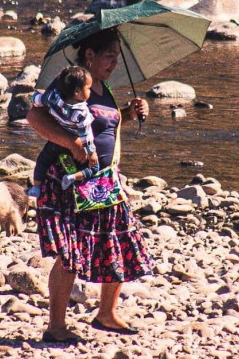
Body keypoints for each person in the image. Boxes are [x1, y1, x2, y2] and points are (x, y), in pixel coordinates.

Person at [27, 28, 154, 343]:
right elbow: (35, 117)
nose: (114, 61)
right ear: (89, 55)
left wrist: (128, 112)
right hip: (70, 180)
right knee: (71, 251)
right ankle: (56, 326)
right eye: (108, 55)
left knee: (119, 243)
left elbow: (106, 122)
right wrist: (71, 143)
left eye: (116, 55)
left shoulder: (105, 88)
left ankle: (106, 314)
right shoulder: (70, 83)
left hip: (105, 181)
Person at [27, 65, 99, 199]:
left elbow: (36, 99)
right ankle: (73, 177)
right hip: (74, 144)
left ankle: (36, 187)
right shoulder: (81, 113)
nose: (90, 92)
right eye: (88, 88)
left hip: (55, 143)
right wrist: (91, 152)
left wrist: (35, 98)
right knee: (93, 168)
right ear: (77, 92)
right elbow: (86, 134)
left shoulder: (53, 97)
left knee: (42, 161)